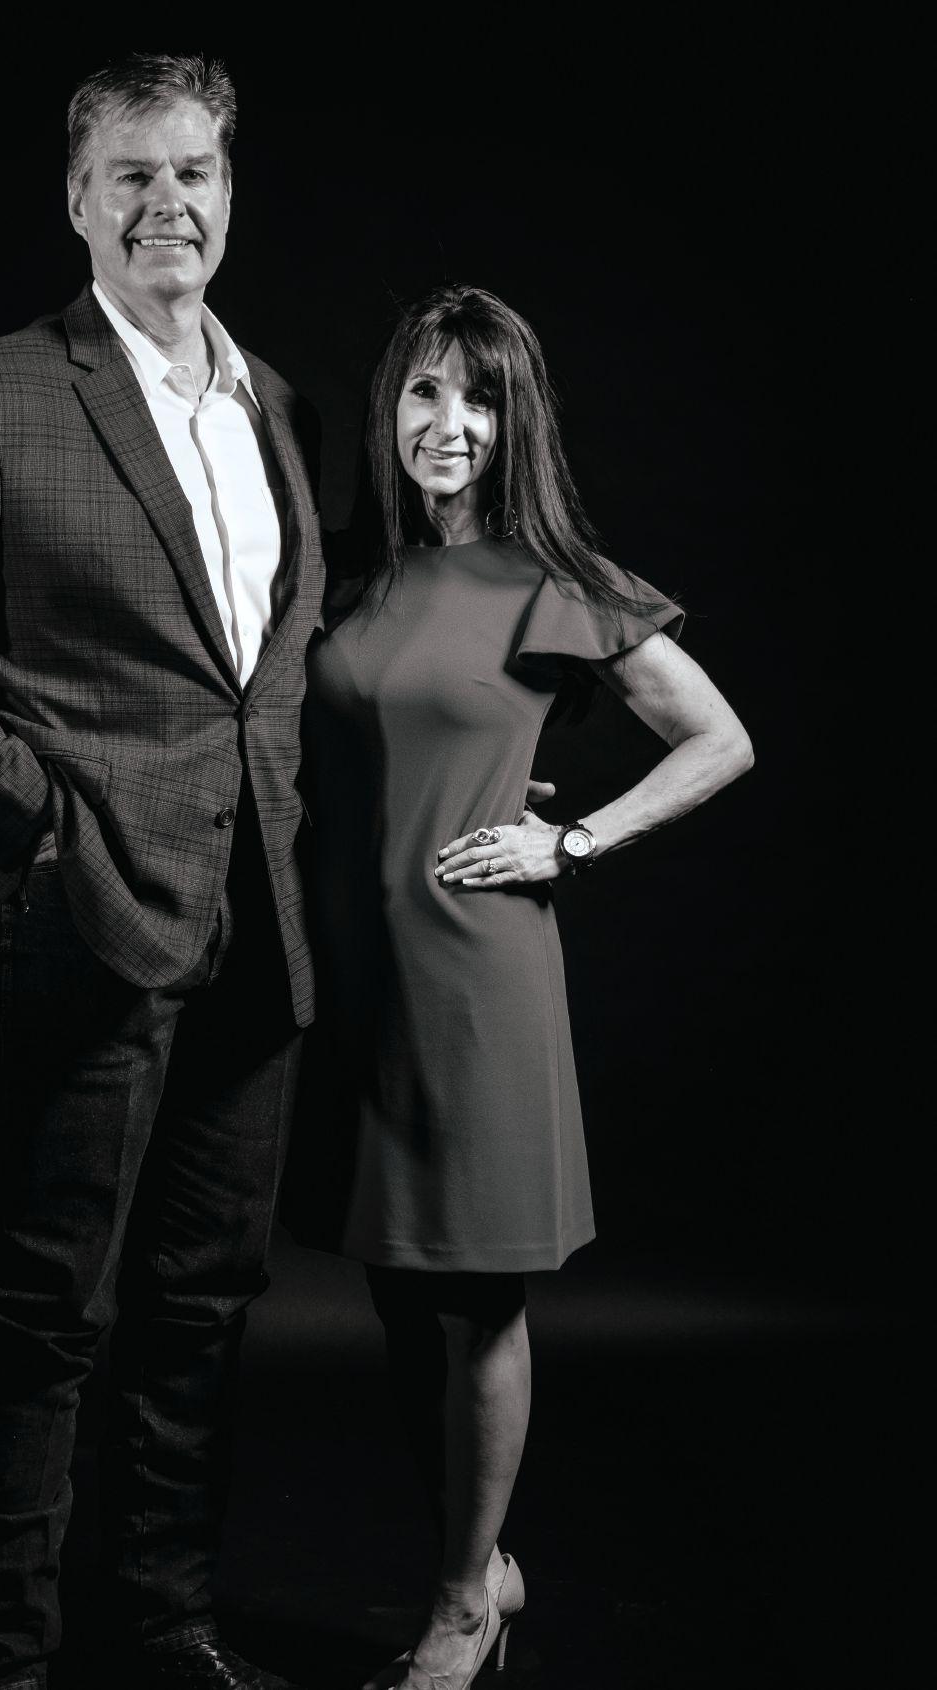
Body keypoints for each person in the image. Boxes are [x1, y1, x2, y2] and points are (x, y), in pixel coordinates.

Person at [0, 54, 326, 1690]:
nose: (170, 203)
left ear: (230, 193)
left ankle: (159, 1623)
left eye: (196, 172)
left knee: (206, 1298)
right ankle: (0, 1655)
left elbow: (267, 674)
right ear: (80, 201)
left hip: (257, 927)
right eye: (133, 176)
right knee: (46, 1306)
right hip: (84, 916)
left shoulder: (275, 403)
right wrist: (32, 813)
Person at [297, 285, 754, 1688]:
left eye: (480, 398)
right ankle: (479, 1558)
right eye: (425, 390)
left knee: (479, 1299)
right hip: (356, 978)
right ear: (390, 405)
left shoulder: (552, 578)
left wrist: (574, 839)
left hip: (478, 979)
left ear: (517, 423)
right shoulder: (353, 575)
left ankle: (456, 1605)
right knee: (394, 1288)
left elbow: (720, 737)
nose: (450, 424)